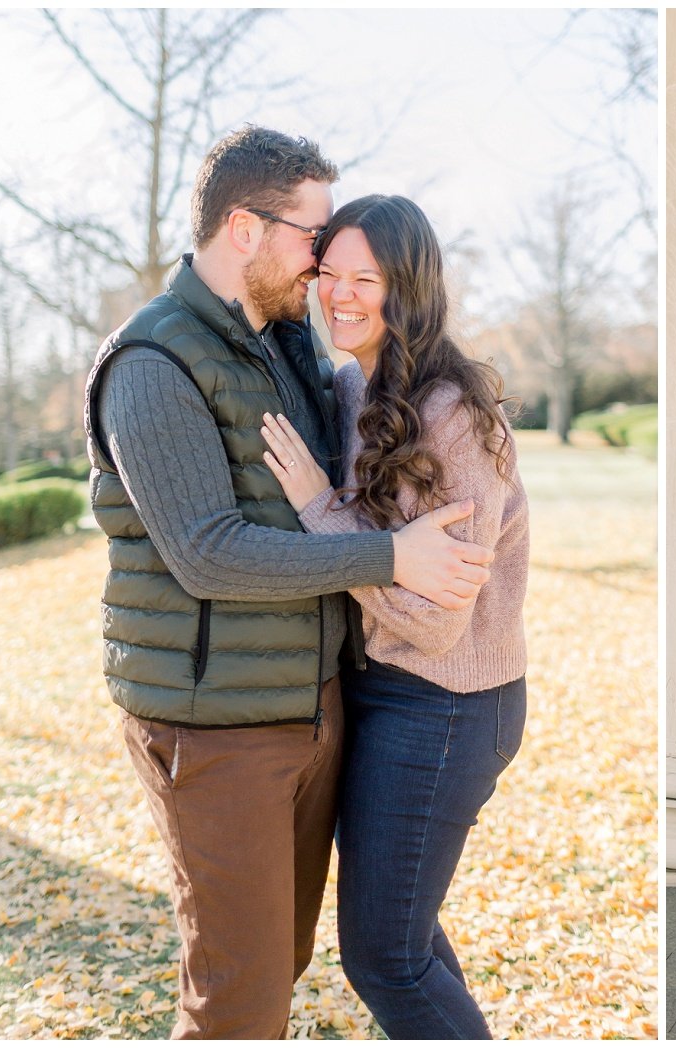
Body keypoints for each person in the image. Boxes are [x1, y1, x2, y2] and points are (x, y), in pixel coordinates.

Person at [84, 127, 494, 1039]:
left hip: (315, 708)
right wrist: (390, 558)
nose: (323, 264)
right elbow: (208, 552)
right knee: (240, 998)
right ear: (245, 226)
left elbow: (350, 483)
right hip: (216, 728)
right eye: (313, 238)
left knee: (289, 963)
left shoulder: (285, 345)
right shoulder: (153, 364)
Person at [260, 193, 529, 1039]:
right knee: (406, 939)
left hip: (447, 703)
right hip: (384, 695)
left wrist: (318, 511)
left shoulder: (455, 416)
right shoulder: (353, 387)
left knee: (383, 958)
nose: (339, 293)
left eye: (364, 278)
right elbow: (392, 567)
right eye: (327, 273)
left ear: (406, 287)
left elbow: (434, 617)